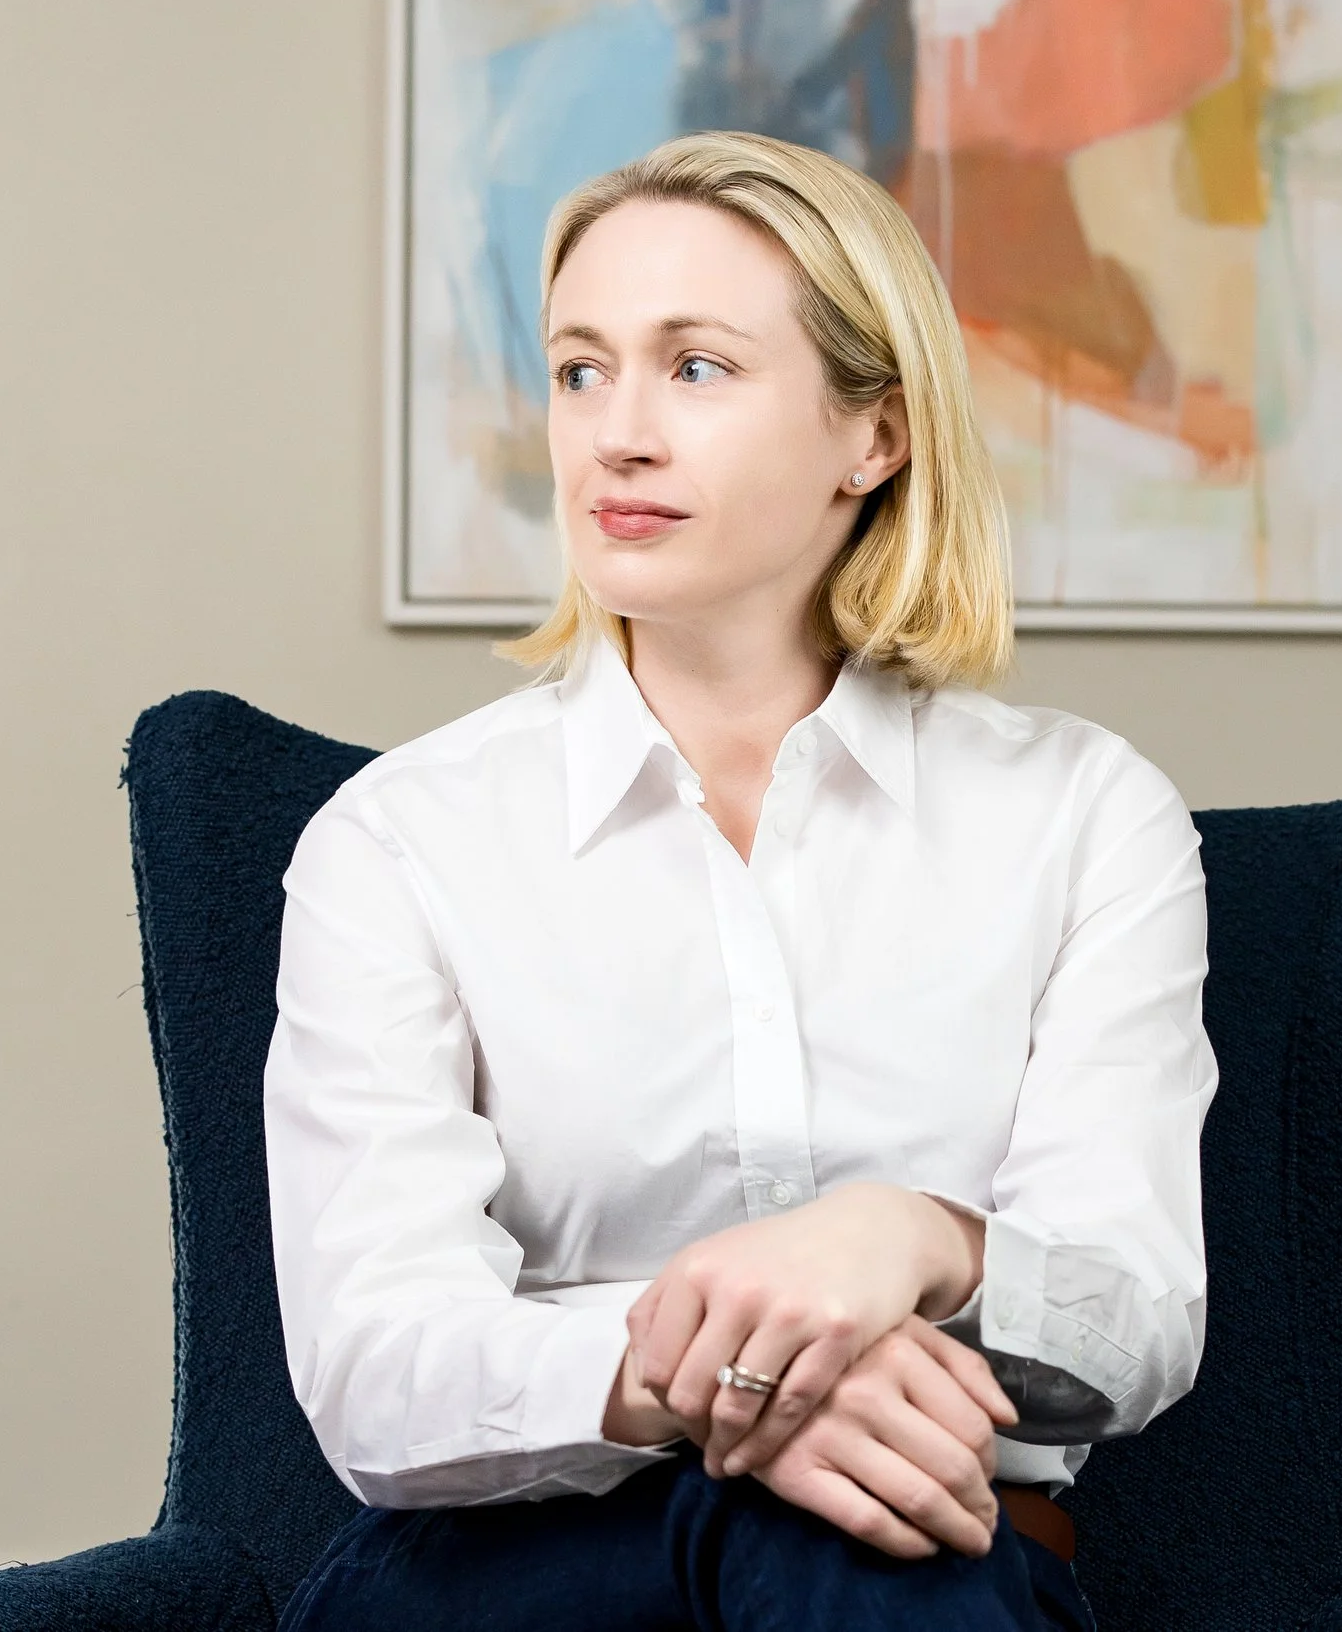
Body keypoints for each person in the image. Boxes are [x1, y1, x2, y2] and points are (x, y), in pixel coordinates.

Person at [264, 131, 1216, 1631]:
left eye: (695, 368)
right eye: (582, 370)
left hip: (918, 1555)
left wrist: (913, 1240)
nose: (615, 436)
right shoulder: (396, 844)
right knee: (833, 1535)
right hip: (507, 1576)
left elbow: (1136, 1326)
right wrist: (743, 1384)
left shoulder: (1089, 817)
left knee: (863, 1556)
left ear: (875, 437)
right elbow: (379, 1363)